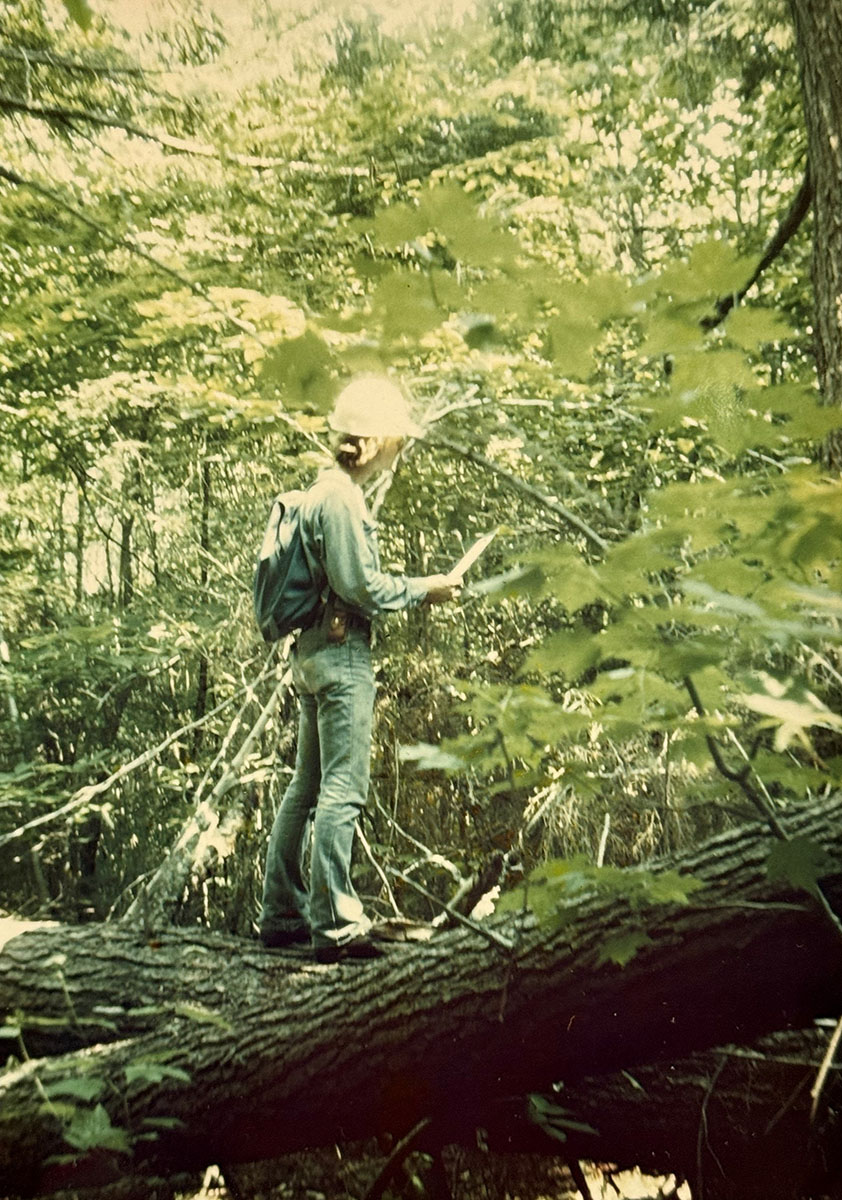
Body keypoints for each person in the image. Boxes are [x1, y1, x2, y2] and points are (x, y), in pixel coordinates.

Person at [258, 376, 459, 964]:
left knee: (307, 788)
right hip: (341, 658)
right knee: (342, 791)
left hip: (312, 655)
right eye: (395, 441)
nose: (399, 450)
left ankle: (281, 916)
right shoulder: (342, 498)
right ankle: (336, 928)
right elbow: (359, 586)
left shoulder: (321, 492)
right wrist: (427, 589)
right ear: (371, 444)